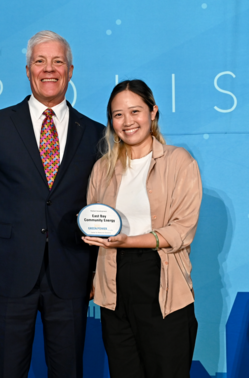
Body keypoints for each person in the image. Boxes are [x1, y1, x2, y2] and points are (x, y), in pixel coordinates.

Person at [0, 30, 104, 378]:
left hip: (72, 272)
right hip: (7, 270)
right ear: (27, 70)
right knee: (7, 370)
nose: (48, 69)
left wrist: (101, 270)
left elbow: (101, 205)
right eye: (40, 61)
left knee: (68, 370)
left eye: (57, 62)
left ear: (70, 70)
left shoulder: (96, 133)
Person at [82, 80, 202, 378]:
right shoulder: (103, 168)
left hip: (162, 283)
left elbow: (182, 231)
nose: (127, 121)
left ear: (153, 112)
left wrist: (128, 241)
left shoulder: (179, 161)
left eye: (135, 111)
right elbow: (92, 221)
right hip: (113, 282)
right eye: (118, 114)